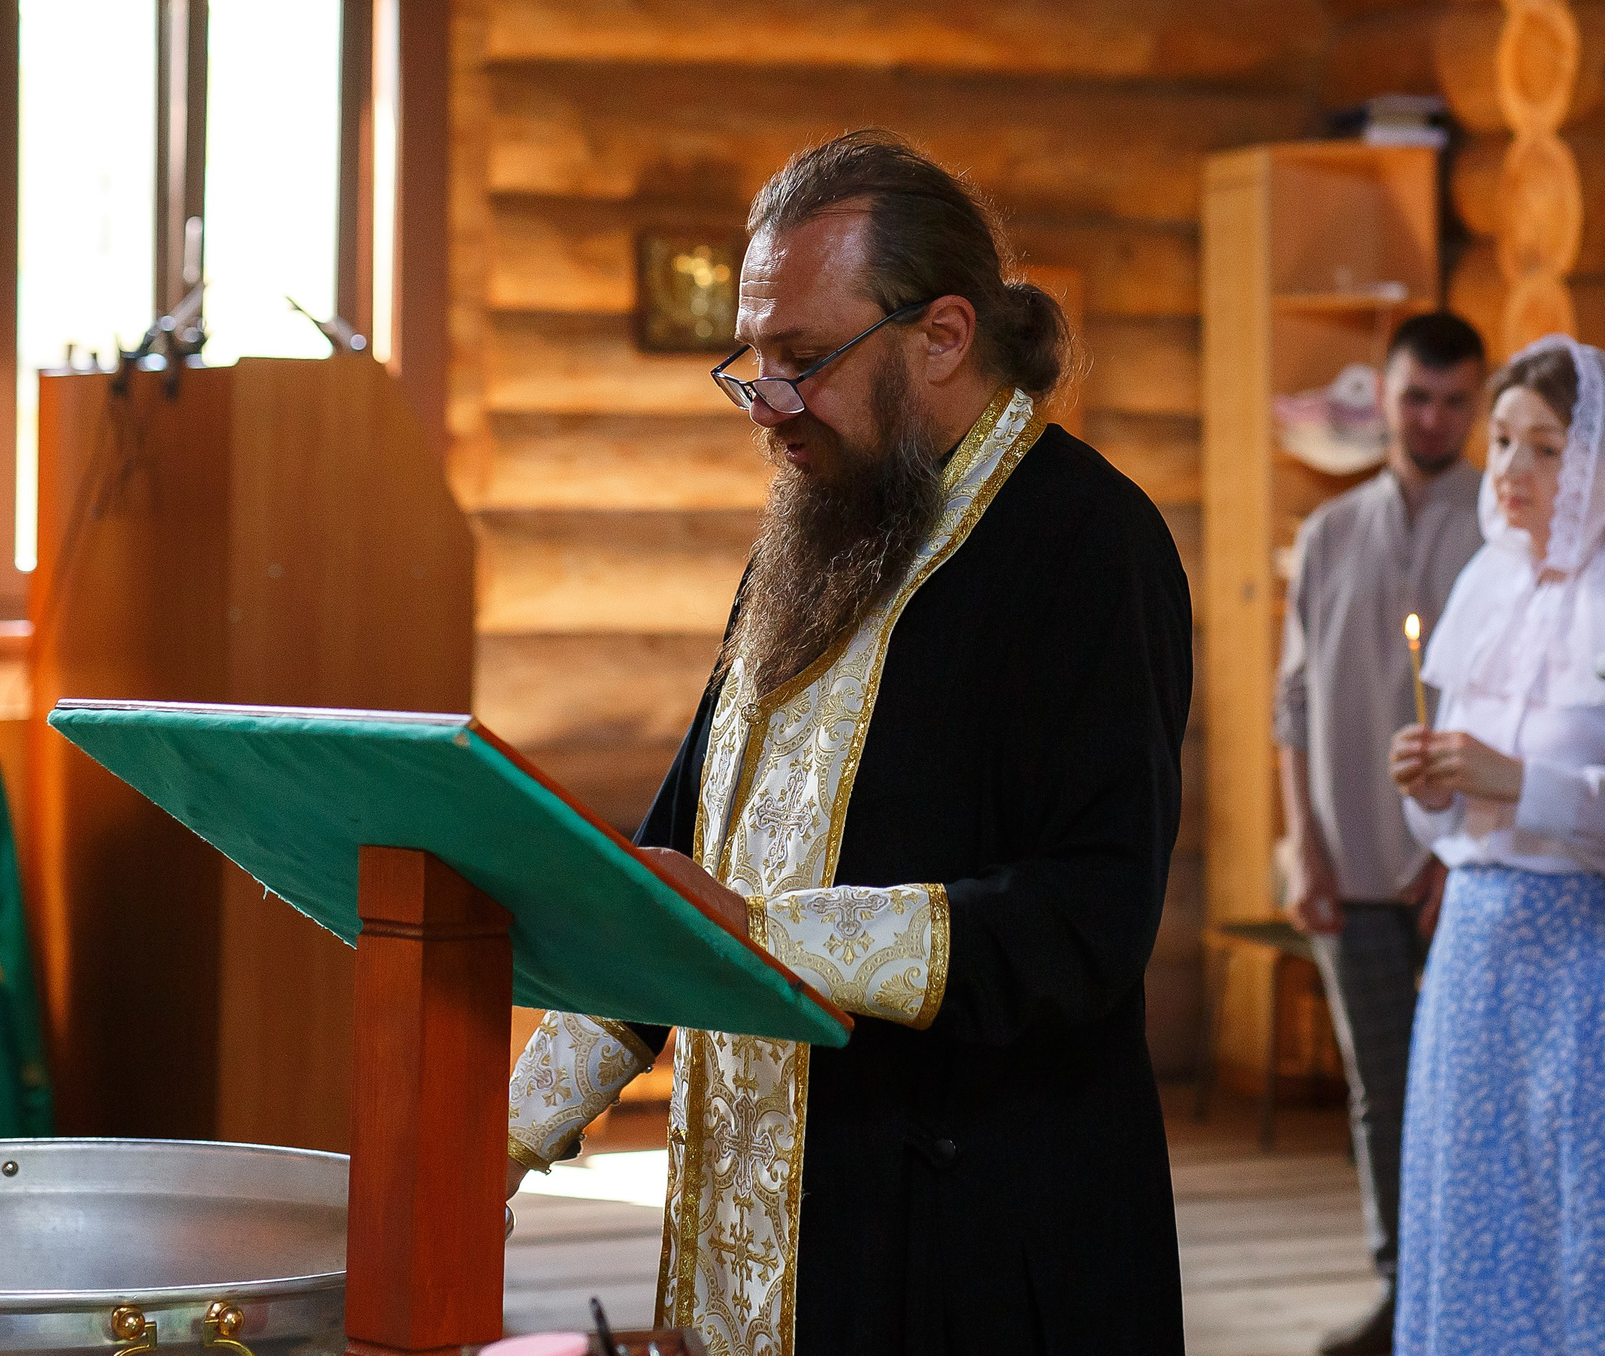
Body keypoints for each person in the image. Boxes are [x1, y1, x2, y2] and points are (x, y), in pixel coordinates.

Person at [501, 130, 1193, 1356]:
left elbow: (1087, 919)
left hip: (969, 1240)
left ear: (941, 335)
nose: (768, 406)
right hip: (763, 1236)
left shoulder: (1086, 546)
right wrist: (499, 1138)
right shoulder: (814, 538)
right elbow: (669, 870)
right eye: (754, 365)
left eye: (805, 362)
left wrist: (767, 940)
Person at [1388, 337, 1605, 1356]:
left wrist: (1522, 782)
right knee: (1468, 1224)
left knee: (1594, 1239)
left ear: (1603, 461)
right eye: (1500, 442)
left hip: (1602, 951)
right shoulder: (1484, 586)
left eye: (1541, 448)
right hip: (1476, 951)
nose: (1506, 470)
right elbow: (1454, 820)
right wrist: (1433, 794)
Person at [1276, 311, 1488, 1356]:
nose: (1435, 418)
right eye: (1417, 397)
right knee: (1380, 1090)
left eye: (1455, 400)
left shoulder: (1504, 523)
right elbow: (1294, 704)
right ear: (1385, 397)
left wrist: (1468, 848)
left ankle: (1468, 1299)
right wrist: (1301, 847)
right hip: (1346, 856)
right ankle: (1403, 1295)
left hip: (1463, 868)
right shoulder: (1327, 531)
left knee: (1466, 1090)